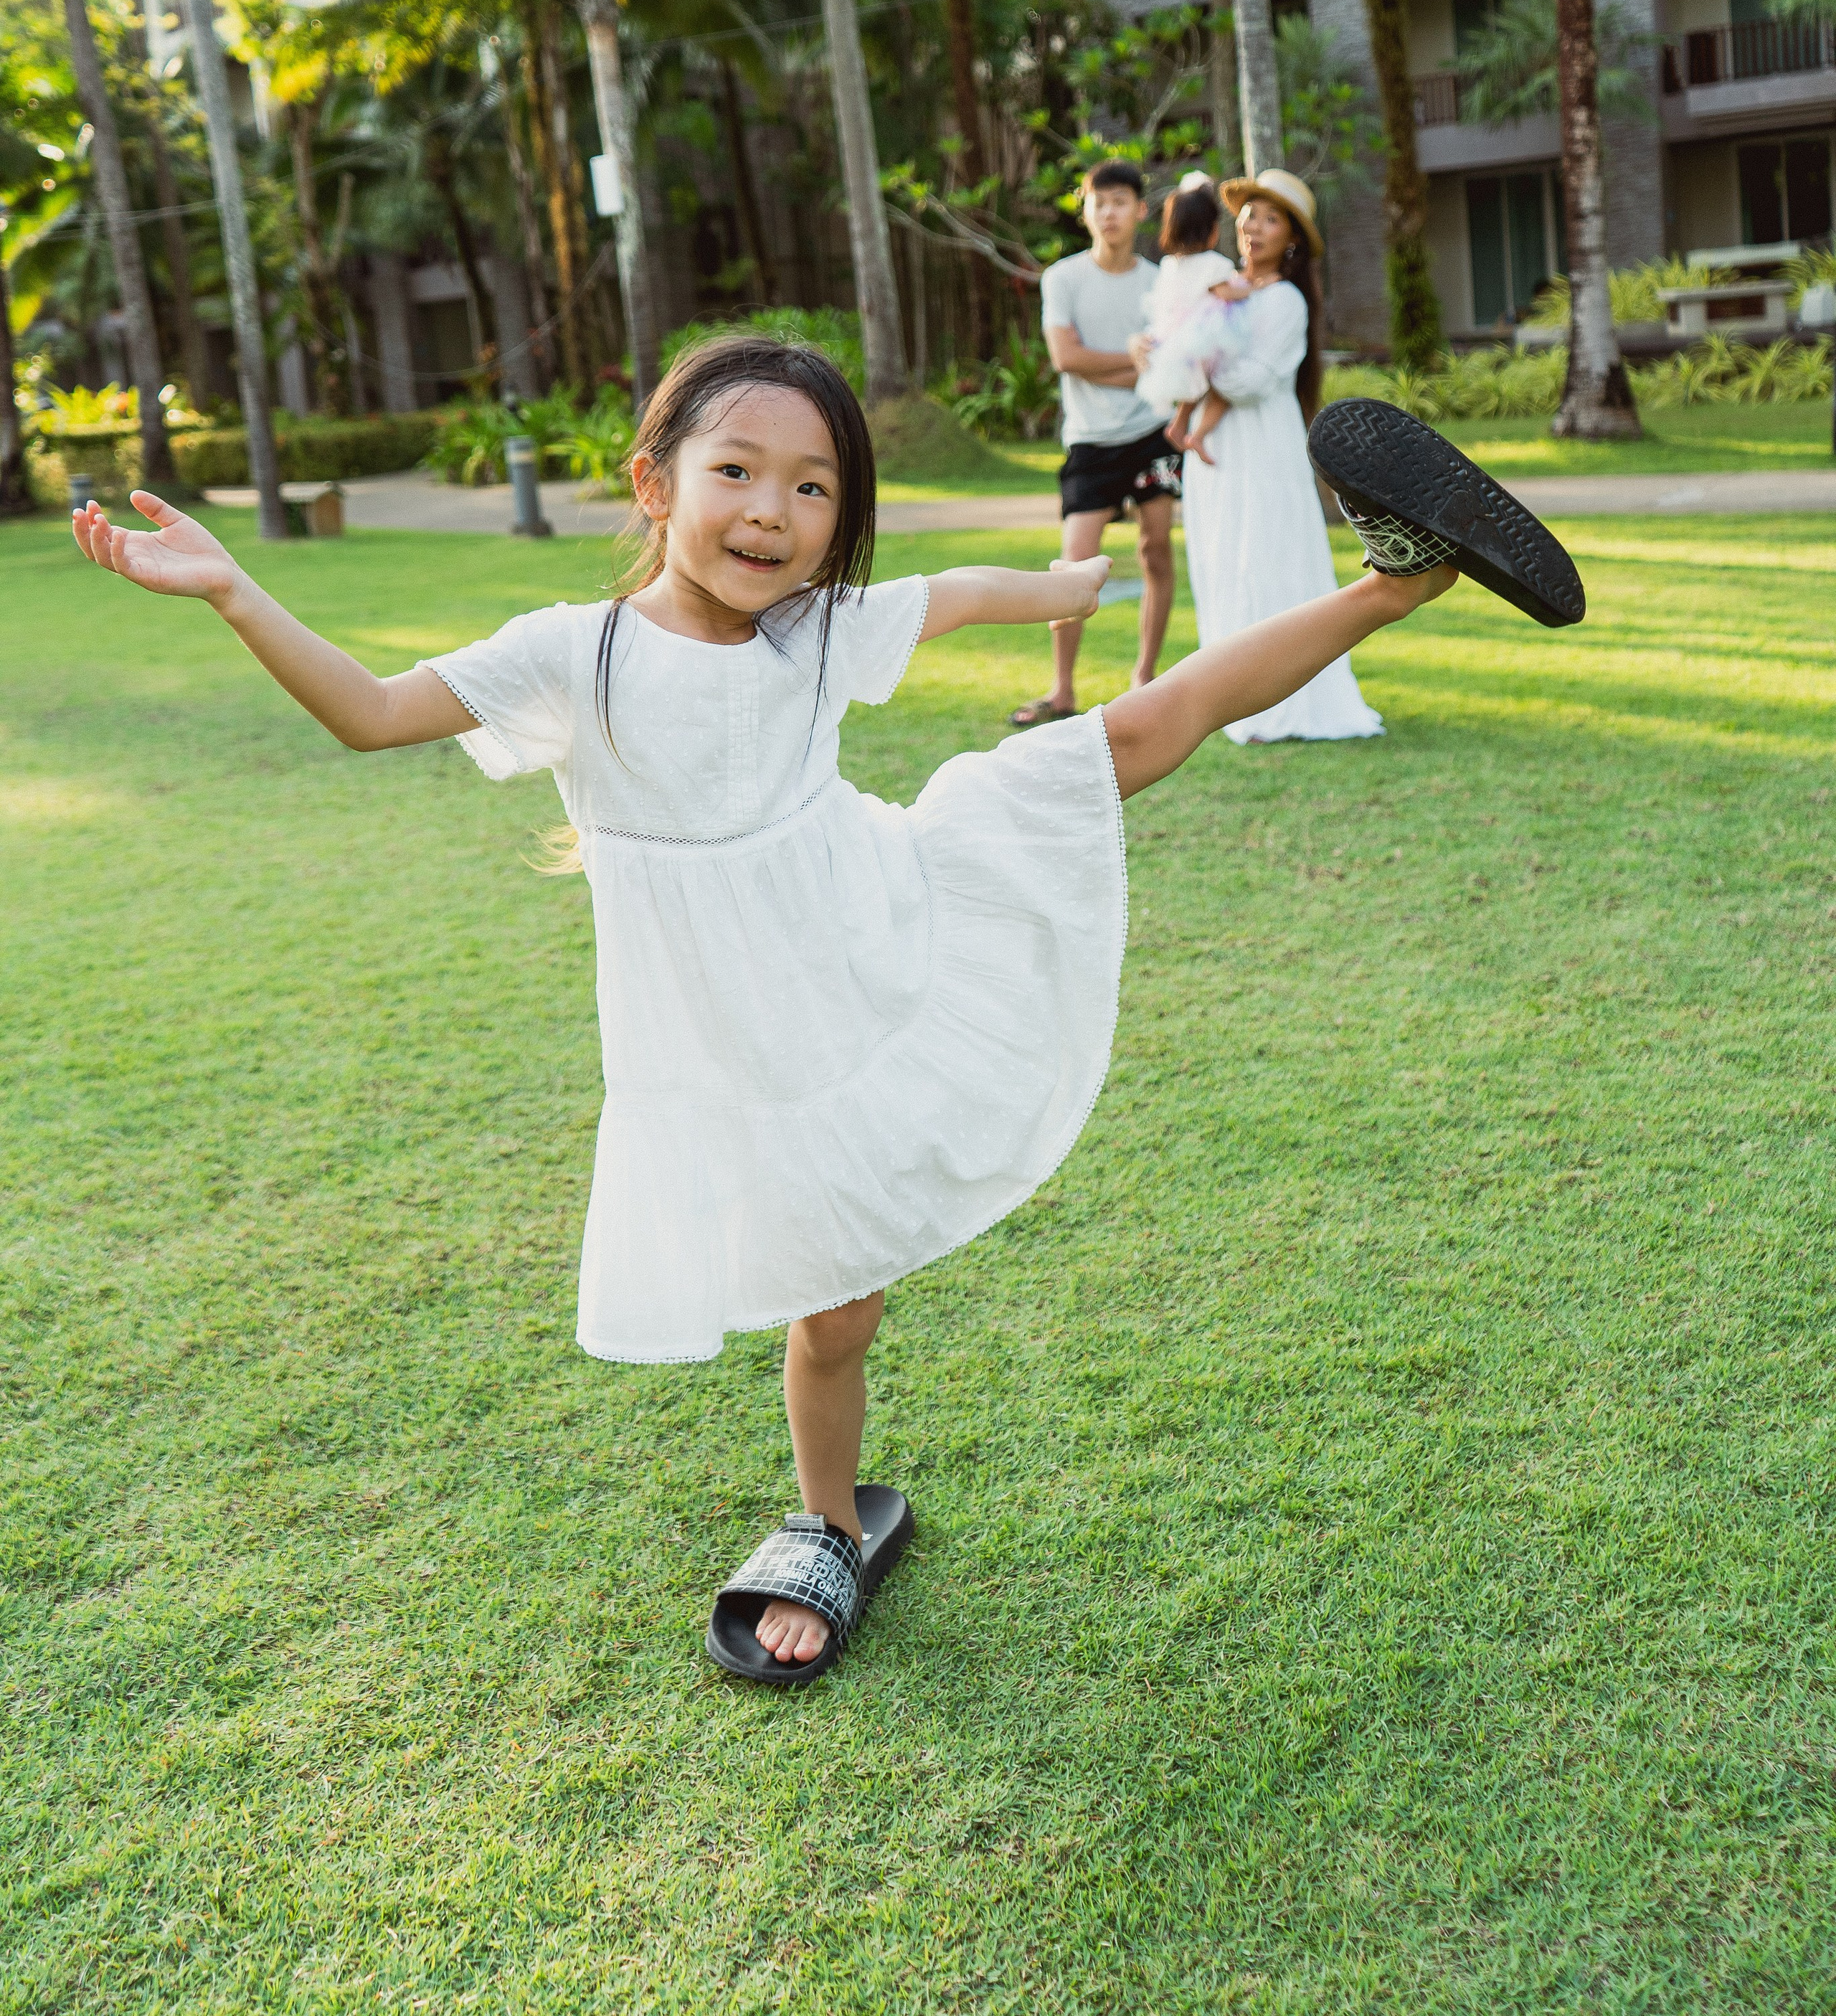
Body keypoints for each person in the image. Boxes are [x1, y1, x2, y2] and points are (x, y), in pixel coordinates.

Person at [70, 331, 1453, 1688]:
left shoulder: (816, 632)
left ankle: (1401, 583)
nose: (773, 512)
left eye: (813, 489)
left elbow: (955, 593)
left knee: (1143, 731)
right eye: (739, 471)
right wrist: (236, 593)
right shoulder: (575, 653)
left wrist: (1064, 582)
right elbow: (372, 713)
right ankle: (829, 1520)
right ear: (657, 481)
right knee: (830, 1310)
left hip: (876, 936)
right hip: (735, 1036)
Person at [1146, 168, 1385, 745]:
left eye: (1271, 218)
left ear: (1291, 239)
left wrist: (1194, 360)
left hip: (1262, 445)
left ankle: (1283, 700)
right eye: (1250, 214)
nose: (1254, 226)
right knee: (1222, 557)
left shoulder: (1283, 301)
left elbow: (1254, 378)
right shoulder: (1218, 285)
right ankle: (1228, 698)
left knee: (1268, 558)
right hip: (1218, 451)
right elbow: (1176, 335)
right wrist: (1173, 355)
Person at [1012, 160, 1177, 730]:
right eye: (1098, 202)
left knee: (1157, 551)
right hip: (1090, 442)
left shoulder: (1160, 282)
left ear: (1140, 211)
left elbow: (1169, 367)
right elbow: (1066, 359)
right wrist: (1133, 362)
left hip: (1152, 434)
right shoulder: (1063, 278)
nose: (1109, 213)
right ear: (1084, 211)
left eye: (1120, 202)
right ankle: (1062, 691)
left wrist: (1110, 367)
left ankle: (1145, 678)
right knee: (1073, 566)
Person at [1132, 172, 1251, 460]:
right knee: (1222, 384)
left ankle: (1178, 424)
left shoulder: (1170, 264)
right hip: (1203, 339)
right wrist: (1253, 286)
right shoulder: (1213, 264)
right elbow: (1227, 294)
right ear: (1212, 231)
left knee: (1195, 389)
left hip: (1173, 339)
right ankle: (1197, 435)